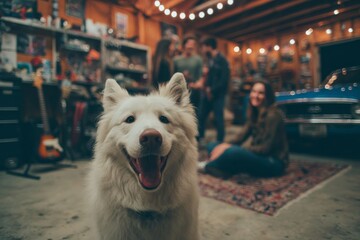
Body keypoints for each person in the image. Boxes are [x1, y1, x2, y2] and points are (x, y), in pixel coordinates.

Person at [198, 80, 289, 178]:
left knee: (234, 152)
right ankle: (223, 169)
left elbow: (264, 149)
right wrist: (224, 145)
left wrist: (232, 149)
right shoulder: (255, 112)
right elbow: (240, 137)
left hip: (273, 162)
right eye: (253, 91)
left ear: (268, 96)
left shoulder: (273, 115)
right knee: (213, 145)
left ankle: (208, 166)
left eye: (261, 93)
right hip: (260, 157)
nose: (256, 95)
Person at [197, 37, 230, 143]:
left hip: (217, 95)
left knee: (219, 119)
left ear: (209, 47)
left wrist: (212, 90)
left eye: (203, 47)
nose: (202, 50)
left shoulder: (222, 60)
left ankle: (220, 141)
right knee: (201, 116)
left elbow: (224, 80)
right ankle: (200, 138)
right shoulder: (209, 59)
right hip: (206, 94)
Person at [174, 36, 203, 117]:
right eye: (189, 43)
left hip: (194, 91)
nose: (191, 46)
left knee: (196, 115)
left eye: (193, 44)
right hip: (179, 92)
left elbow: (200, 76)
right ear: (184, 45)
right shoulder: (176, 60)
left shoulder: (198, 59)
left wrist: (198, 84)